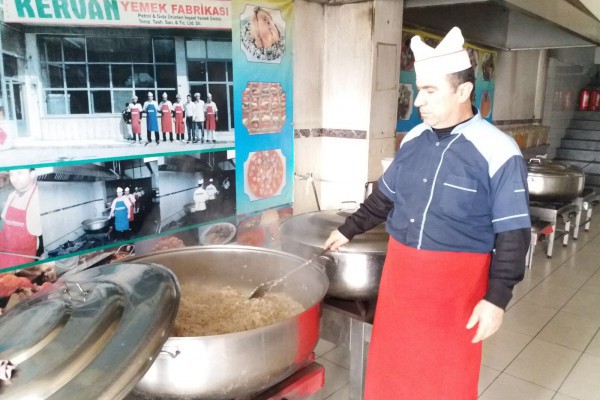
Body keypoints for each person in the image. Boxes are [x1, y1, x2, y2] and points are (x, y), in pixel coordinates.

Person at [324, 27, 531, 400]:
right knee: (391, 368)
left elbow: (513, 233)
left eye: (431, 91)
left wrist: (496, 299)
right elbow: (383, 198)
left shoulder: (499, 151)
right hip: (400, 275)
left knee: (443, 379)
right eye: (419, 89)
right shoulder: (414, 139)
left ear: (463, 91)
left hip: (457, 285)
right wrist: (347, 230)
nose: (419, 100)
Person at [0, 169, 43, 270]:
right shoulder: (11, 196)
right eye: (11, 174)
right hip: (2, 256)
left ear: (32, 174)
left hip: (22, 262)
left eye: (19, 173)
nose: (14, 179)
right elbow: (3, 225)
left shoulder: (39, 197)